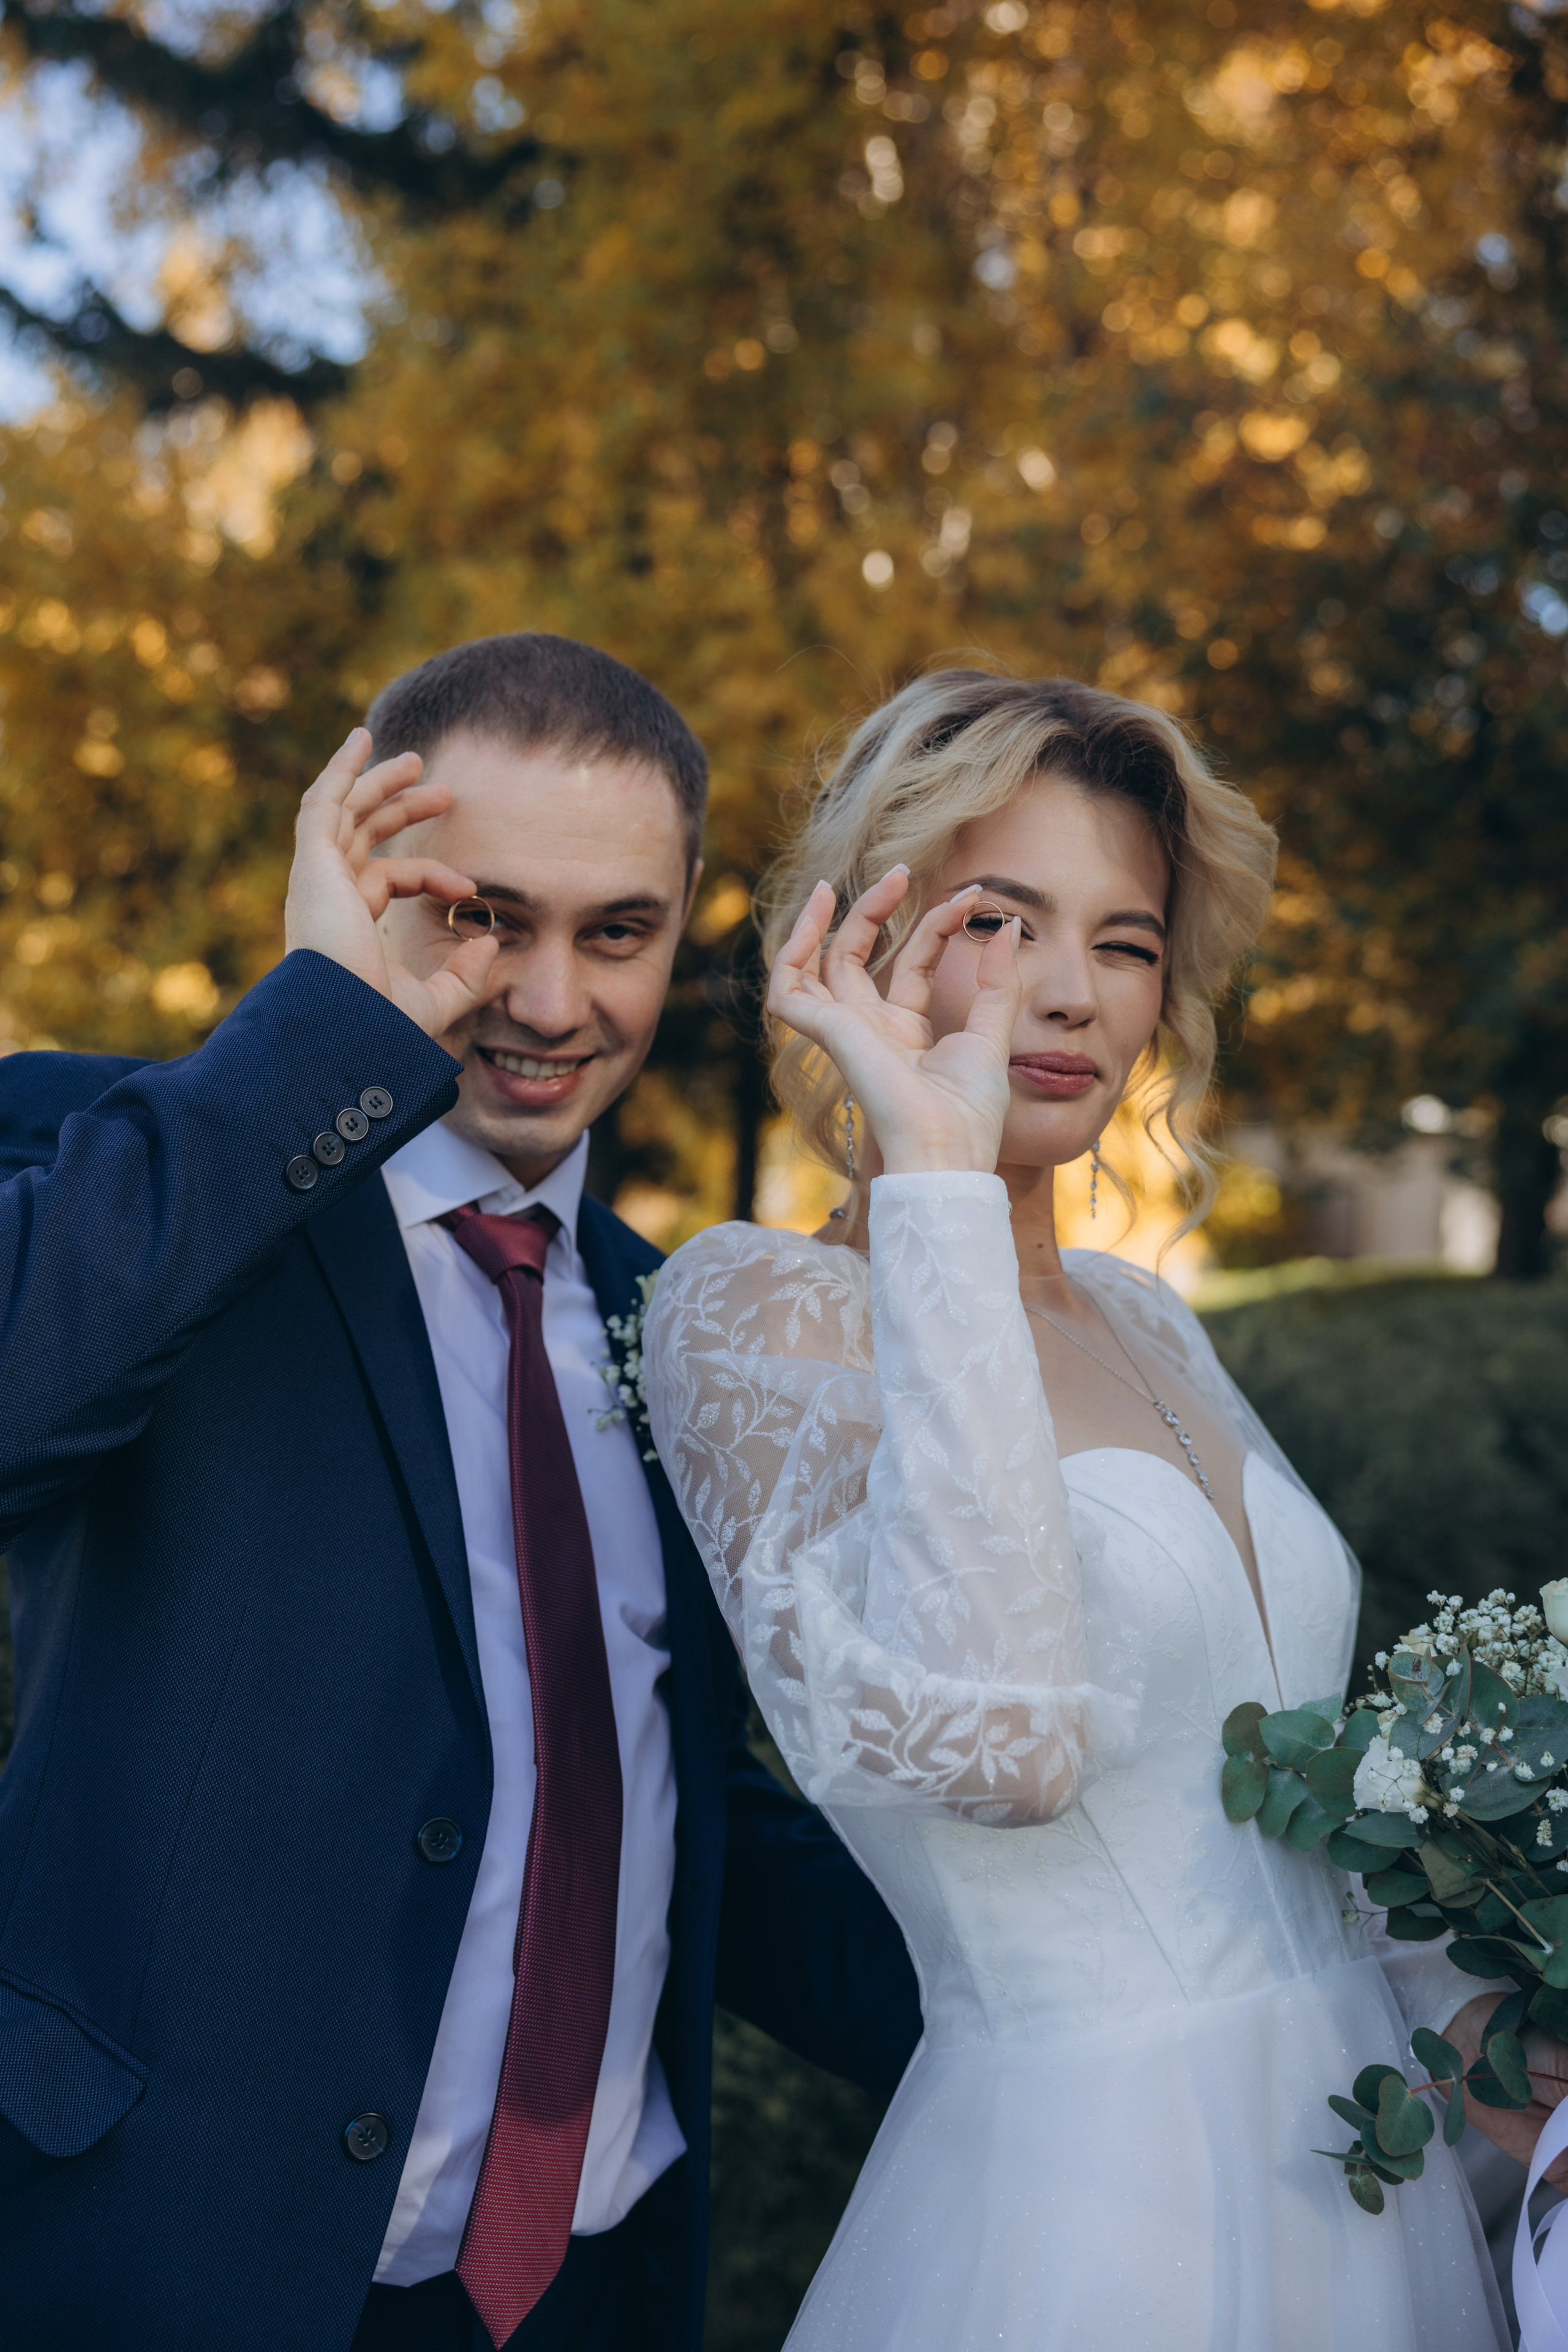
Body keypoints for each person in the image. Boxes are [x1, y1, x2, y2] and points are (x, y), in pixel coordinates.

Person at [0, 631, 920, 2352]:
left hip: (588, 2286)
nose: (553, 1002)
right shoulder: (133, 1162)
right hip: (171, 2261)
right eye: (486, 915)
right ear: (361, 887)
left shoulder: (688, 1328)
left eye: (619, 933)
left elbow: (673, 1797)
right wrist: (314, 1030)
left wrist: (1093, 2034)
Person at [641, 668, 1514, 2351]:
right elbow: (1002, 1751)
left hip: (1356, 2173)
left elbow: (1296, 1813)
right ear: (868, 932)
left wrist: (1496, 2028)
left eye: (1124, 942)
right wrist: (941, 1185)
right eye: (1002, 919)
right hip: (1086, 2218)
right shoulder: (751, 1312)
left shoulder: (1148, 1314)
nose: (1070, 996)